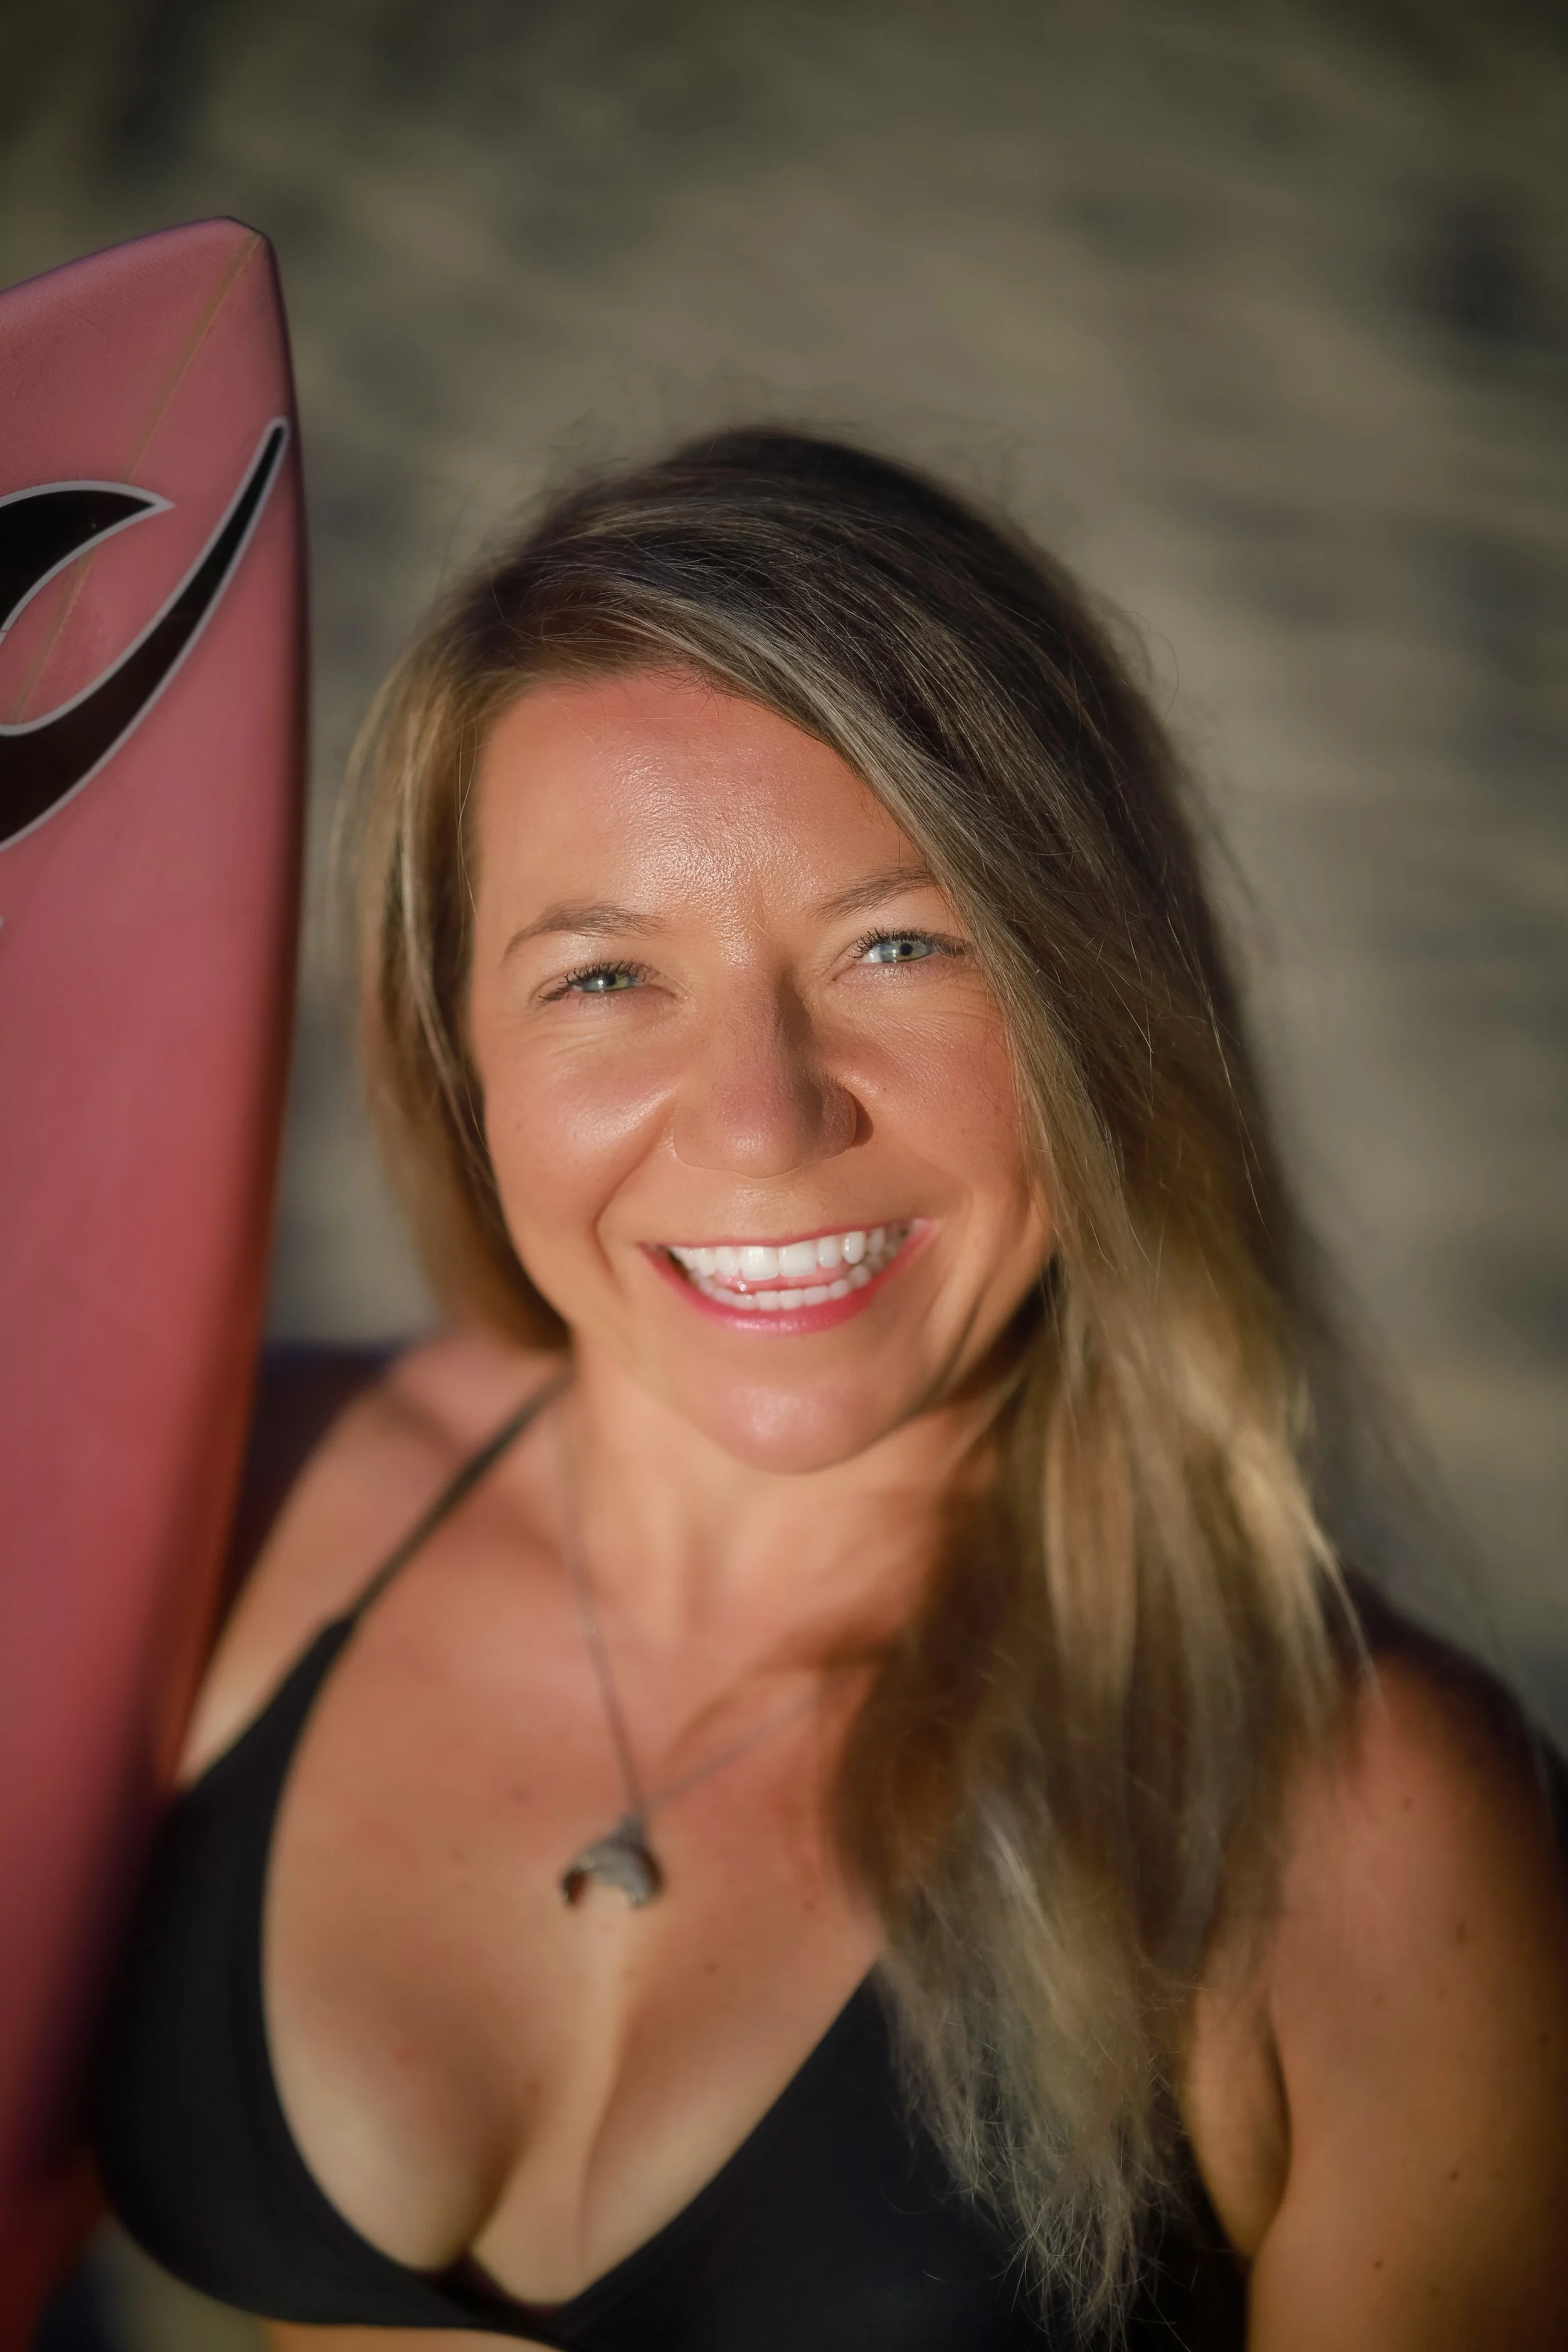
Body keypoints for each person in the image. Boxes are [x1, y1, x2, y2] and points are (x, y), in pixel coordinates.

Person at [92, 432, 1568, 2349]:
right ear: (452, 1039)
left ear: (1089, 997)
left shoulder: (1359, 1833)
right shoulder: (226, 1510)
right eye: (607, 977)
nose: (765, 1122)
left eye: (899, 944)